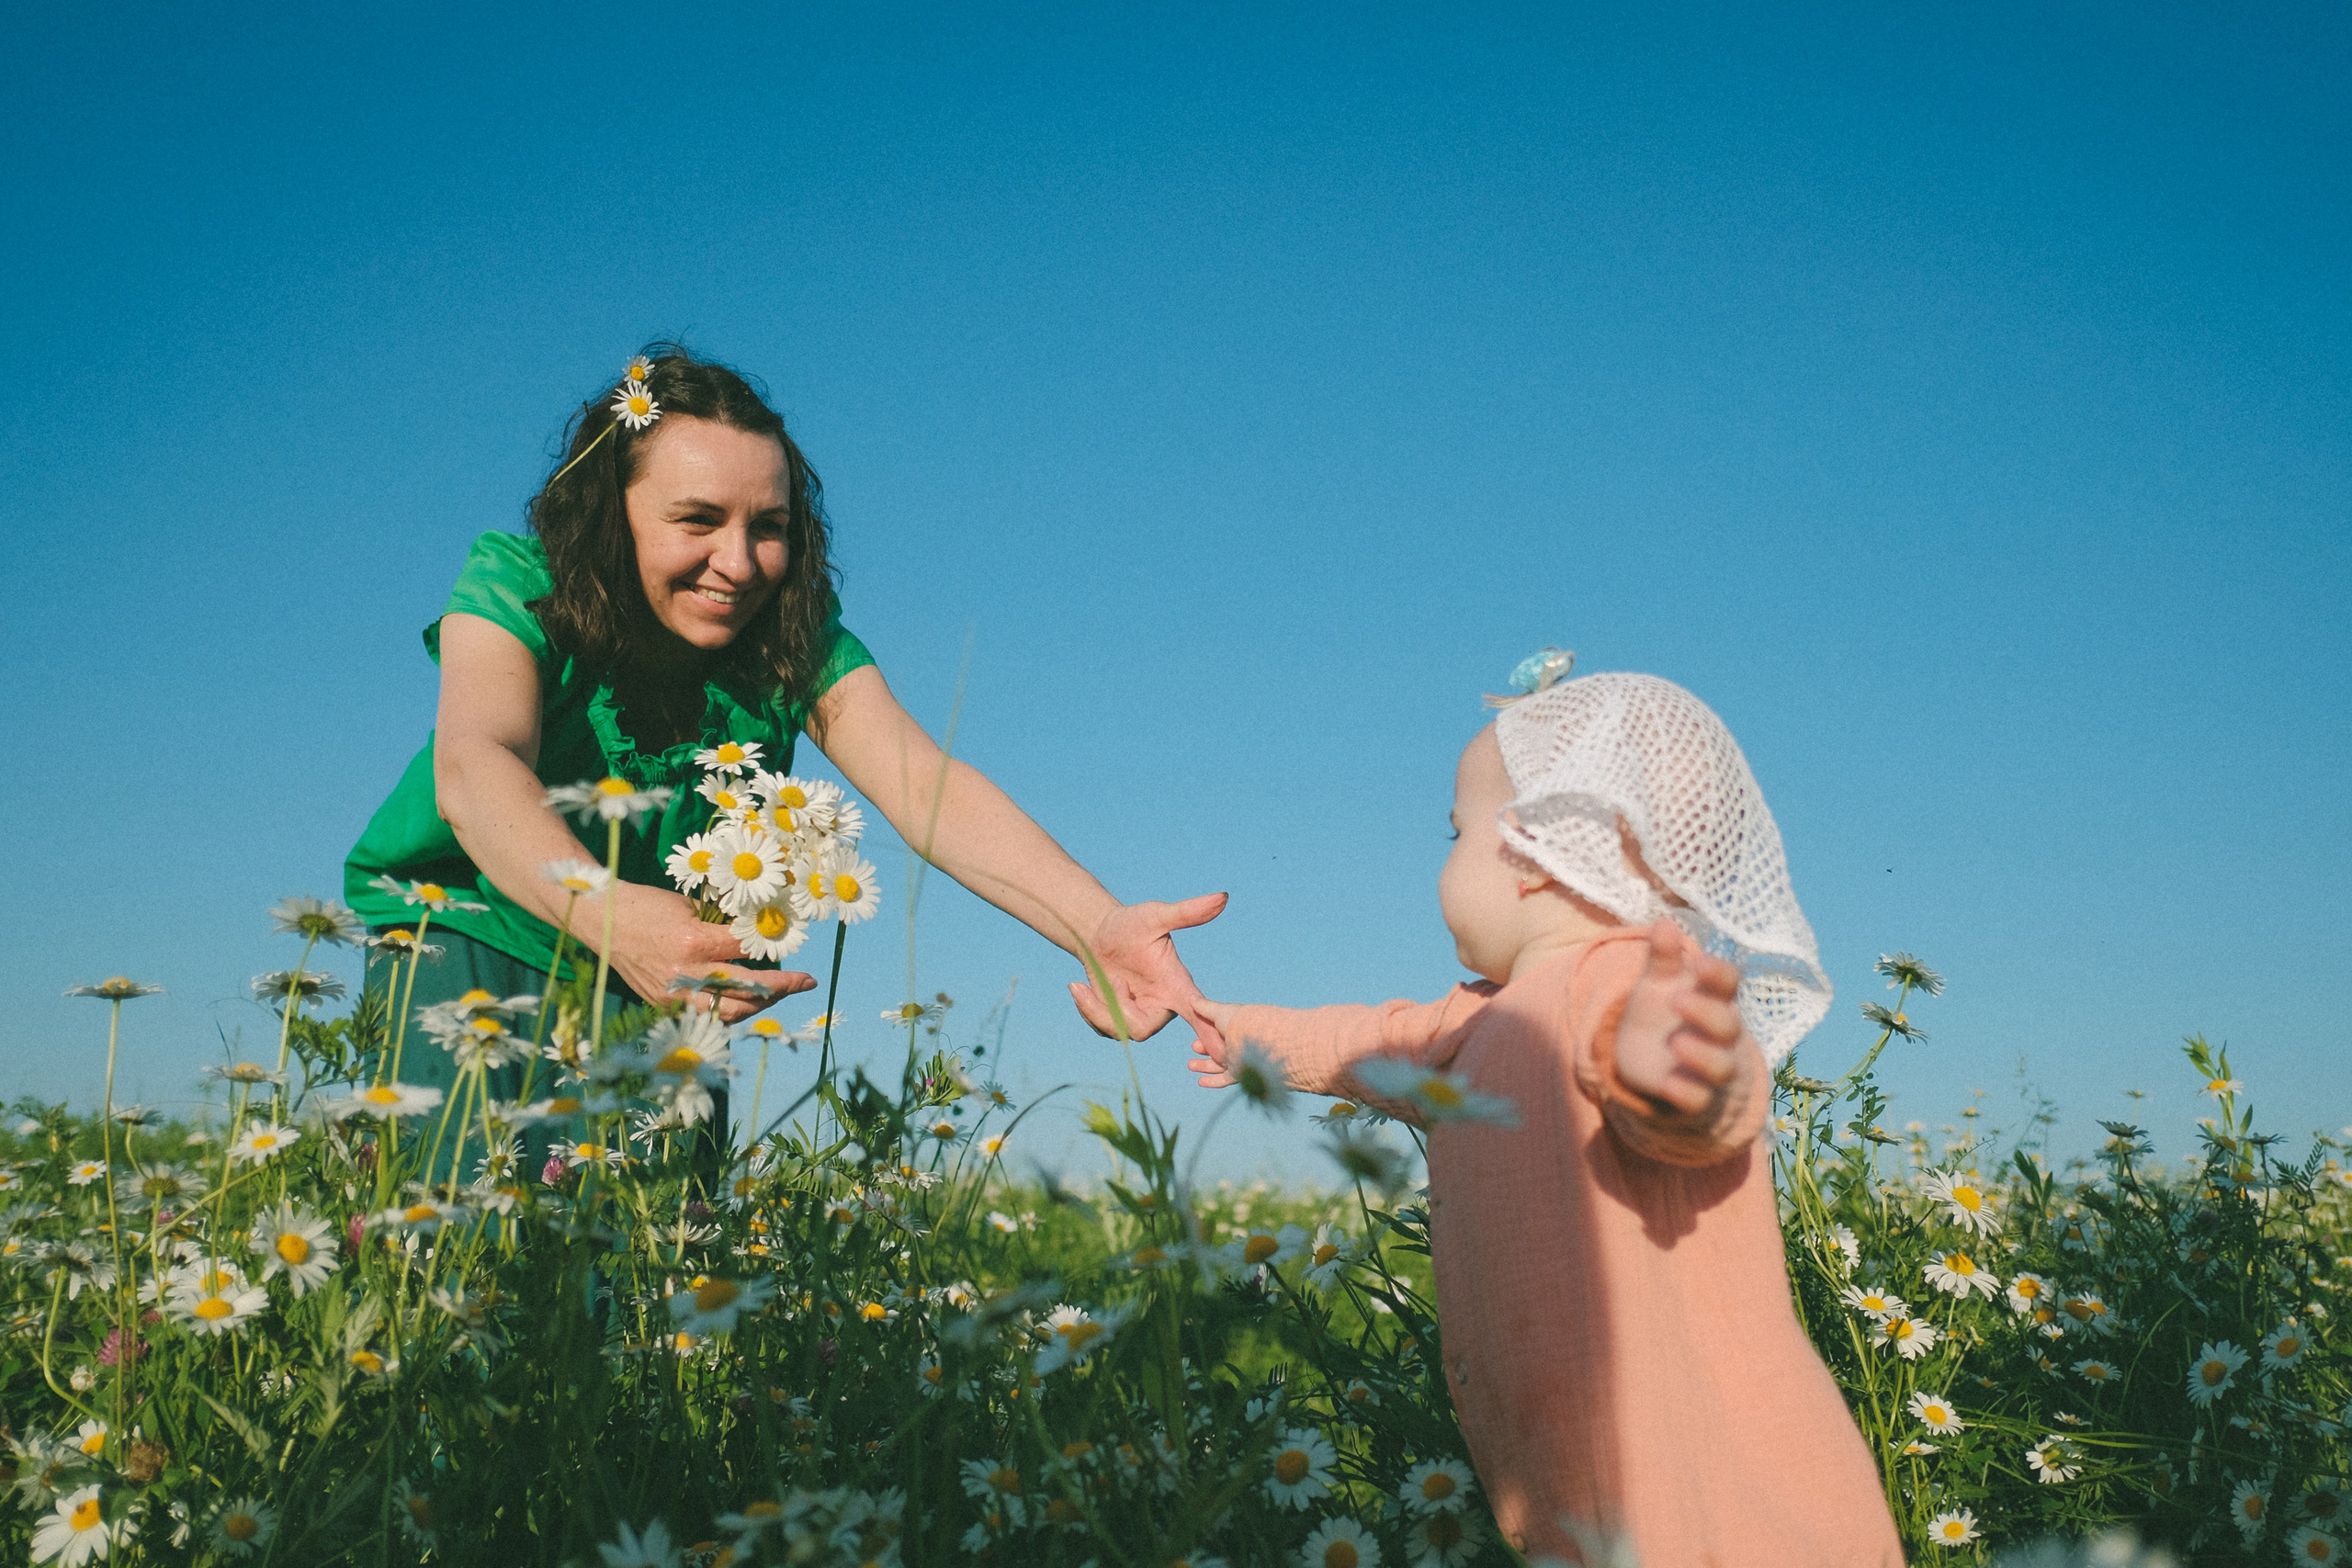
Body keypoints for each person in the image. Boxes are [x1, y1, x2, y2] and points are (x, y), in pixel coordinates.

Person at [346, 344, 1222, 1132]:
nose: (739, 562)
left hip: (673, 964)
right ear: (611, 515)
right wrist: (610, 916)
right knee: (463, 1266)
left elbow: (922, 782)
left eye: (768, 527)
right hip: (472, 934)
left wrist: (1096, 925)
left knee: (660, 1284)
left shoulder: (789, 635)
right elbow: (477, 763)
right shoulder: (516, 582)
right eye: (697, 520)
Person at [1185, 661, 1903, 1566]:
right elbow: (1363, 1040)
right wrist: (1238, 1032)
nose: (1443, 858)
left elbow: (1702, 1113)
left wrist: (1680, 1074)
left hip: (1713, 1498)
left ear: (1525, 855)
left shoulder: (1627, 983)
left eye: (1455, 833)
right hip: (1572, 1496)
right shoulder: (1476, 1019)